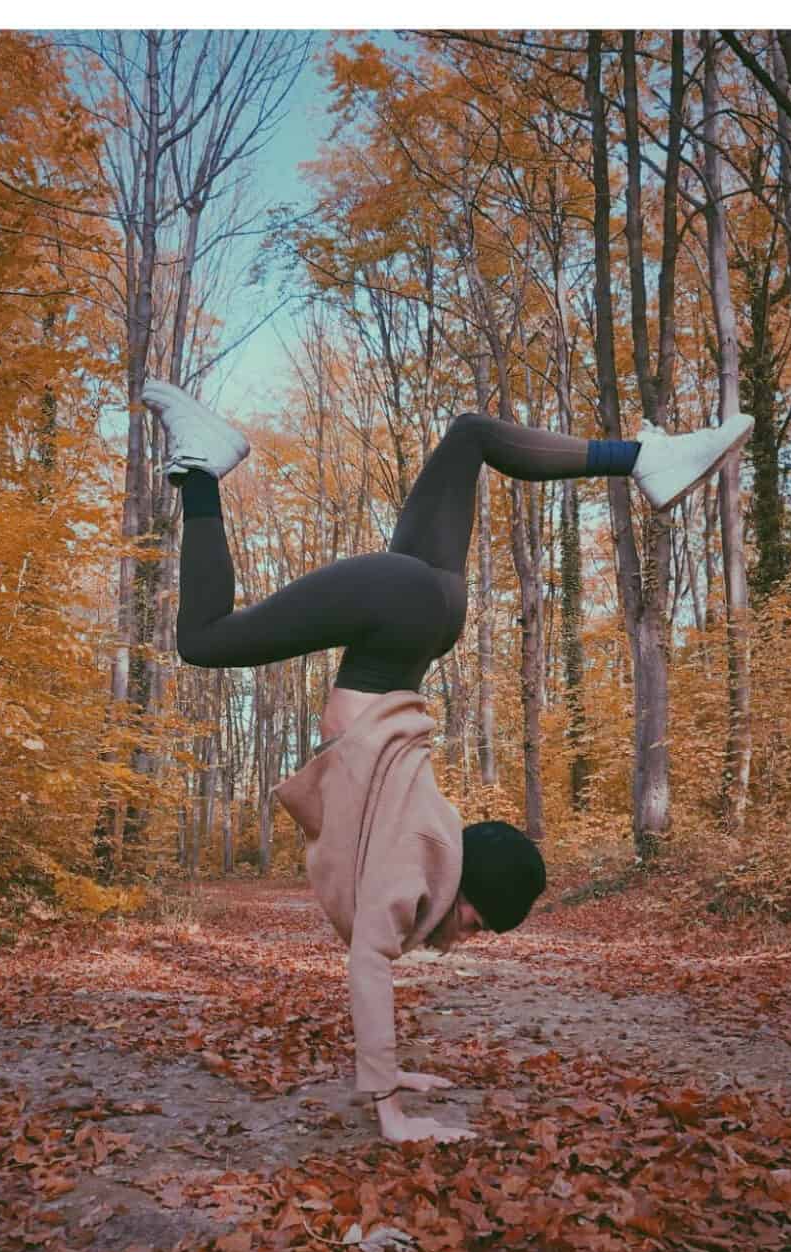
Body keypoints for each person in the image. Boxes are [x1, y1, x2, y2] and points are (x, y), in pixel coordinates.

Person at [144, 379, 749, 1143]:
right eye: (473, 922)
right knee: (203, 637)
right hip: (396, 608)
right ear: (465, 889)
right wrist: (389, 1107)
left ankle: (641, 459)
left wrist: (399, 1069)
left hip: (431, 611)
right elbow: (369, 961)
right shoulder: (419, 863)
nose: (459, 938)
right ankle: (204, 463)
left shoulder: (430, 840)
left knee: (469, 435)